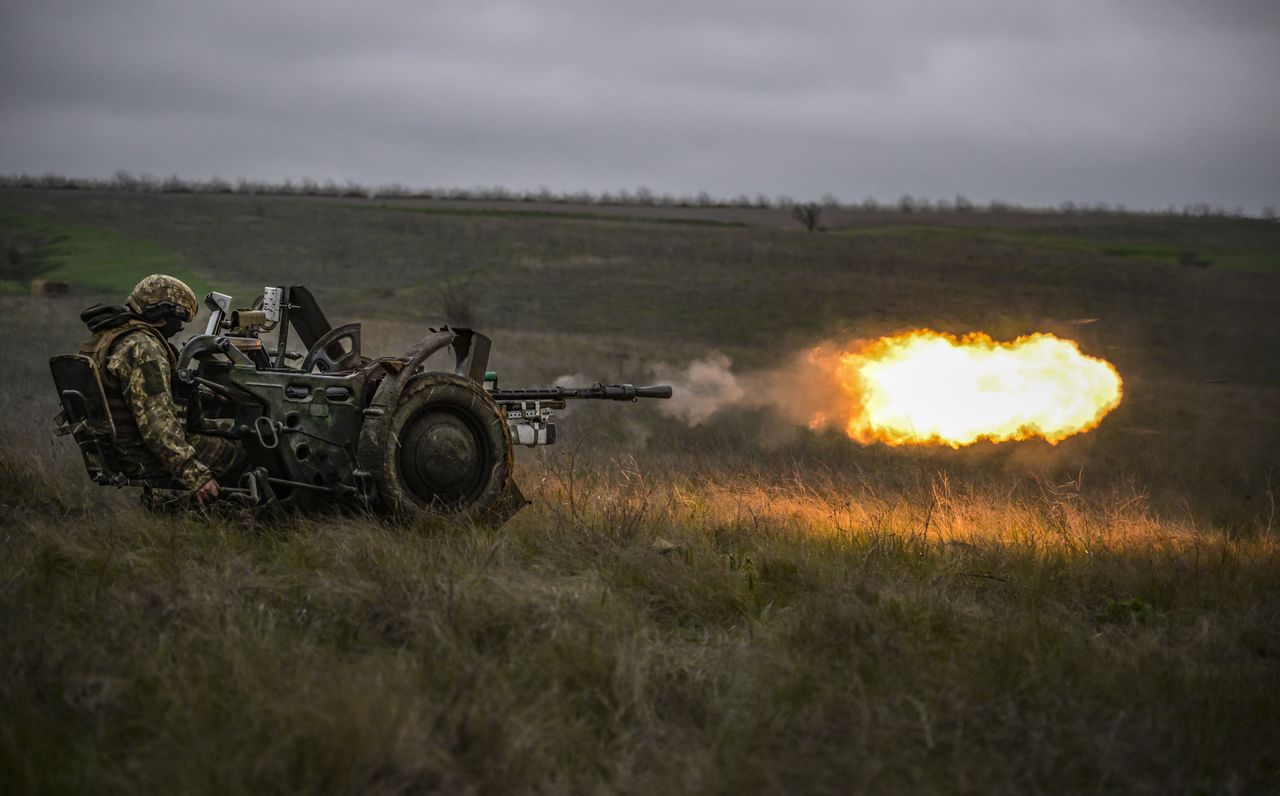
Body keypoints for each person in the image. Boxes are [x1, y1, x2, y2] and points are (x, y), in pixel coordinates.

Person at [78, 274, 245, 504]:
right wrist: (195, 476)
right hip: (141, 454)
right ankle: (239, 515)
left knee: (231, 430)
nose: (179, 328)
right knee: (245, 452)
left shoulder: (115, 338)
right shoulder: (143, 348)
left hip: (125, 448)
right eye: (178, 318)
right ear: (161, 313)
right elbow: (157, 423)